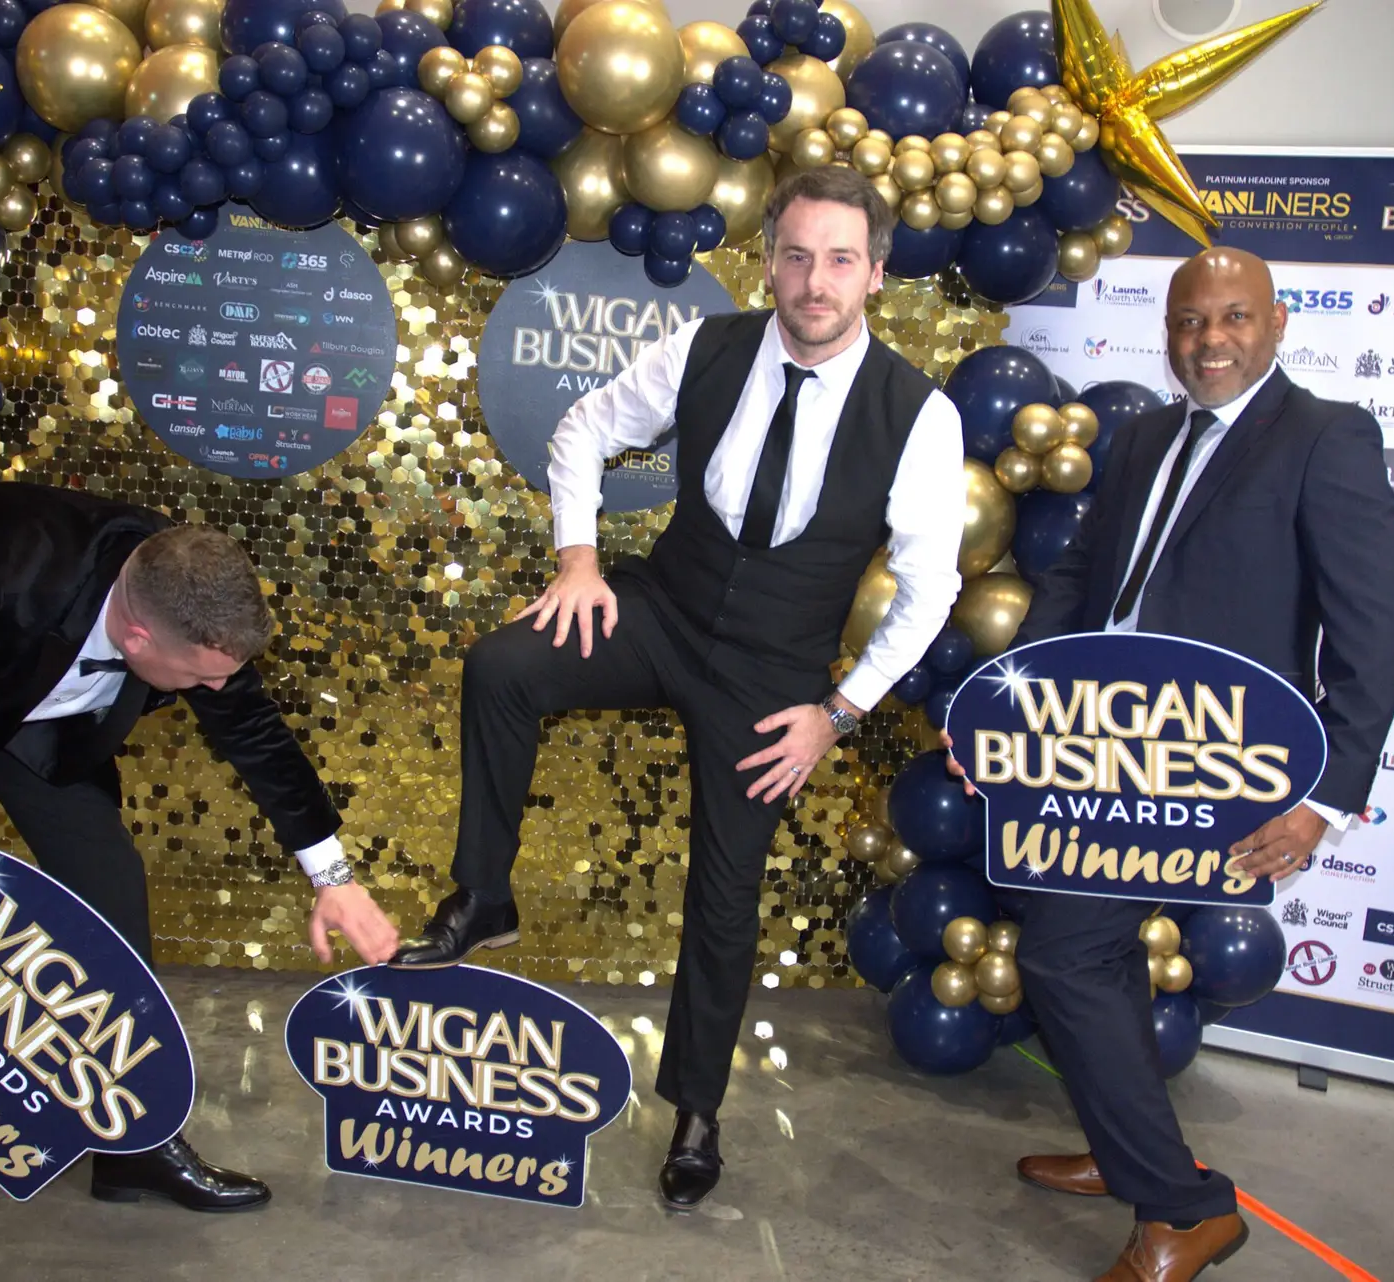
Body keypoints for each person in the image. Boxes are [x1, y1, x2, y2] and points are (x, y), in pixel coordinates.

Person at [389, 167, 966, 1209]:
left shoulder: (918, 415)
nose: (816, 281)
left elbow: (930, 590)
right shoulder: (706, 347)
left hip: (773, 672)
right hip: (663, 611)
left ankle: (697, 1108)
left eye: (840, 260)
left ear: (876, 274)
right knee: (504, 664)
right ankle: (483, 896)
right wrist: (578, 559)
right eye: (797, 255)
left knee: (726, 891)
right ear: (768, 262)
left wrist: (838, 714)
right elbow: (582, 429)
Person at [0, 483, 401, 1255]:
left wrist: (335, 879)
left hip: (27, 698)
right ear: (137, 636)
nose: (215, 690)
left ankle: (131, 1143)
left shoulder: (181, 583)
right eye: (199, 677)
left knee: (109, 890)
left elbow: (254, 732)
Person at [968, 247, 1394, 1282]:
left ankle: (1185, 1210)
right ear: (1167, 332)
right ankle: (1129, 1148)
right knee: (1097, 954)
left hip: (1216, 766)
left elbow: (1373, 634)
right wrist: (1013, 708)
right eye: (1189, 321)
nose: (1210, 340)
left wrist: (1325, 801)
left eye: (1234, 317)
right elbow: (1080, 580)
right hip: (1094, 747)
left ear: (1277, 322)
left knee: (1066, 954)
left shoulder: (1327, 436)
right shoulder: (1143, 437)